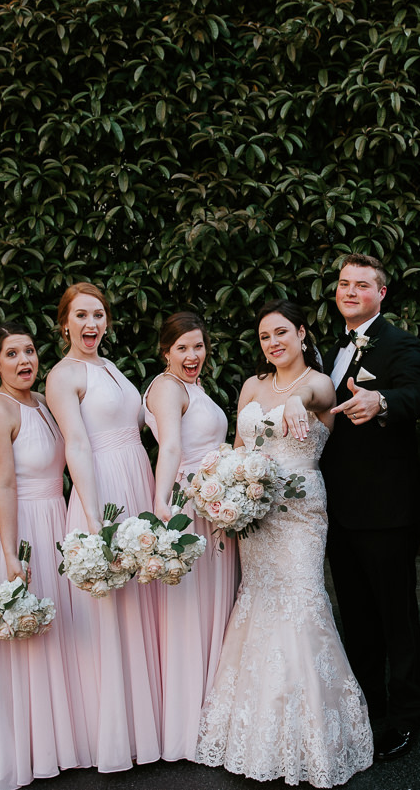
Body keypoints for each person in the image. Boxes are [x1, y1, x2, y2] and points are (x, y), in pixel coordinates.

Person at [196, 299, 373, 788]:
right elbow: (238, 448)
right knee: (258, 603)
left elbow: (318, 396)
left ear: (300, 333)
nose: (273, 344)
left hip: (299, 512)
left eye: (281, 334)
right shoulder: (252, 386)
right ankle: (256, 731)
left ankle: (313, 734)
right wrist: (226, 491)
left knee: (301, 602)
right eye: (264, 338)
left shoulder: (319, 382)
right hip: (255, 512)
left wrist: (299, 400)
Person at [45, 283, 161, 770]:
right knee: (111, 611)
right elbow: (76, 445)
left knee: (141, 604)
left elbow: (142, 417)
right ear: (64, 324)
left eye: (98, 315)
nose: (91, 324)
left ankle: (145, 726)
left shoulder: (110, 367)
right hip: (105, 489)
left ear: (107, 321)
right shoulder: (63, 375)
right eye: (81, 316)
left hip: (136, 476)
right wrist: (96, 522)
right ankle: (112, 737)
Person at [320, 253, 420, 762]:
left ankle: (408, 715)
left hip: (385, 509)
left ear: (381, 294)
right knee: (357, 615)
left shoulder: (400, 344)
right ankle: (368, 703)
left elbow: (418, 396)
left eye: (362, 285)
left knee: (395, 616)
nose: (350, 291)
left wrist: (381, 402)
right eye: (344, 284)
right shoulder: (326, 349)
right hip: (337, 510)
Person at [0, 321, 90, 789]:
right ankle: (19, 747)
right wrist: (9, 555)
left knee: (50, 634)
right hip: (15, 527)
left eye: (29, 351)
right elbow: (2, 484)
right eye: (12, 354)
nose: (25, 361)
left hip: (51, 520)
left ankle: (53, 742)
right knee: (20, 638)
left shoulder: (41, 403)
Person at [143, 311, 238, 762]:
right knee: (190, 616)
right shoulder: (166, 386)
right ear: (166, 352)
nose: (192, 355)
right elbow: (173, 448)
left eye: (198, 346)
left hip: (215, 506)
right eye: (182, 347)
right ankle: (185, 730)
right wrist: (163, 505)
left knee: (213, 612)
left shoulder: (195, 387)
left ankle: (214, 718)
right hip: (189, 507)